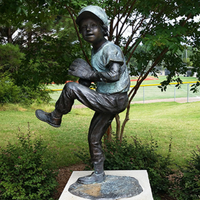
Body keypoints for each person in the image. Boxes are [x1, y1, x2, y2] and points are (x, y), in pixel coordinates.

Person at [35, 5, 130, 184]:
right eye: (84, 27)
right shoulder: (95, 50)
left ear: (103, 29)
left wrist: (88, 75)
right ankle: (99, 174)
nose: (88, 29)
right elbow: (94, 76)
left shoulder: (111, 49)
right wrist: (85, 78)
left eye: (93, 25)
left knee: (70, 88)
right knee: (94, 137)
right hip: (109, 99)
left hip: (115, 99)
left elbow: (114, 75)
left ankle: (55, 117)